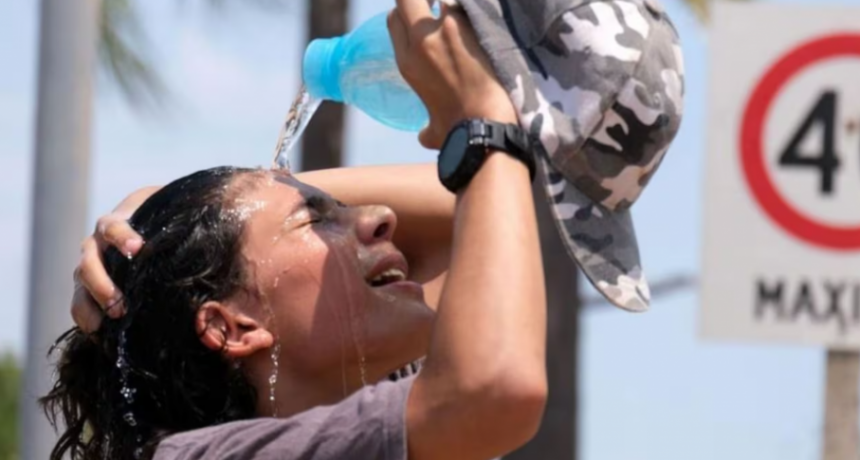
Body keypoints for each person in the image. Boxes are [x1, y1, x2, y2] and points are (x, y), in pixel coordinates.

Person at [50, 0, 685, 458]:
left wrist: (179, 205)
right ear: (231, 326)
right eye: (316, 217)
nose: (382, 217)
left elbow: (511, 205)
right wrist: (488, 121)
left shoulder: (372, 403)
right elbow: (495, 386)